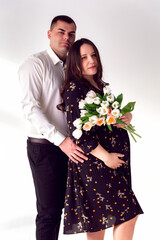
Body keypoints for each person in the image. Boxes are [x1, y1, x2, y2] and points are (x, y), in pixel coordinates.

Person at [59, 38, 143, 240]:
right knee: (127, 215)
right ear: (75, 63)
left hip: (108, 164)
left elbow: (106, 119)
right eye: (84, 57)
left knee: (98, 219)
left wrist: (126, 117)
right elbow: (78, 132)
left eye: (93, 55)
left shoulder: (98, 86)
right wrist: (106, 157)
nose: (91, 60)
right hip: (97, 164)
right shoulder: (74, 89)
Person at [18, 16, 87, 240]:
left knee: (74, 208)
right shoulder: (34, 64)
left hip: (70, 147)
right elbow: (30, 108)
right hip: (46, 148)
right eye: (61, 32)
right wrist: (61, 140)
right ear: (49, 34)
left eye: (71, 34)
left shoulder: (71, 67)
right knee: (49, 213)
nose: (66, 38)